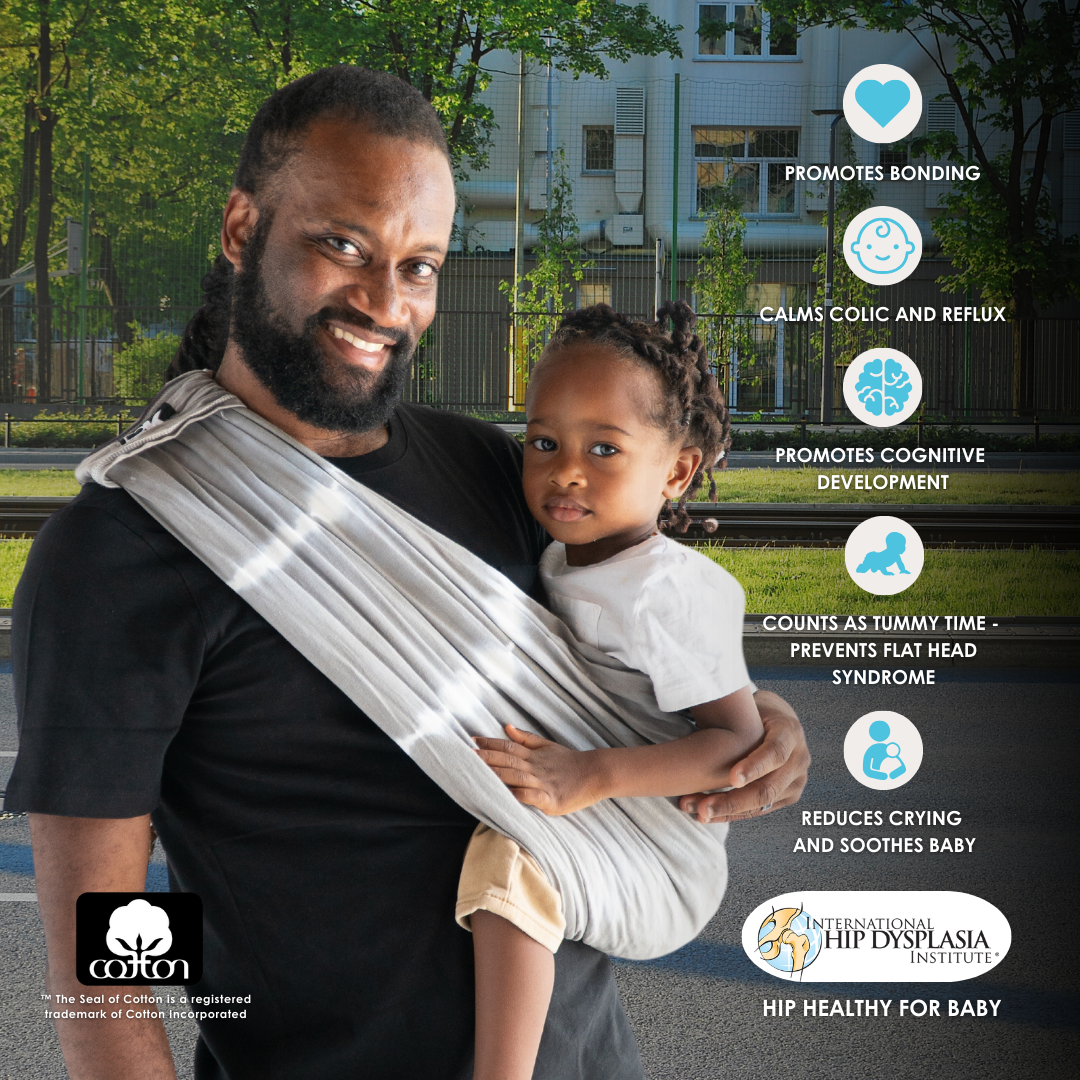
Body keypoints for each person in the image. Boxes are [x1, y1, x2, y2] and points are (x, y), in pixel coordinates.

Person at [7, 67, 810, 1080]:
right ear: (243, 228)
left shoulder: (492, 472)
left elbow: (622, 668)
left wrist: (759, 723)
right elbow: (104, 960)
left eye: (419, 265)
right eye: (342, 246)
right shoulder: (121, 555)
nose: (385, 302)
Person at [459, 302, 764, 1080]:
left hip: (665, 842)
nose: (566, 471)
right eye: (544, 443)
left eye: (604, 448)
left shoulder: (668, 591)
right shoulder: (568, 553)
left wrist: (589, 774)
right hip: (605, 804)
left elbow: (734, 742)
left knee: (509, 860)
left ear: (677, 472)